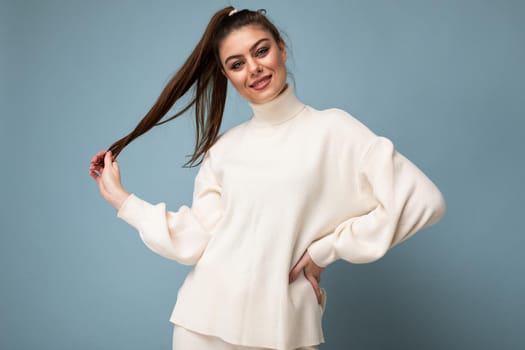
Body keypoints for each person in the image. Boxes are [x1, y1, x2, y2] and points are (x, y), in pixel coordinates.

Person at [89, 6, 446, 350]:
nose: (254, 68)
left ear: (282, 49)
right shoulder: (224, 150)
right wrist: (124, 200)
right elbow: (197, 240)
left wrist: (326, 250)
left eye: (261, 51)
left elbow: (423, 202)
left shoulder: (334, 130)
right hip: (202, 325)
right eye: (237, 64)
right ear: (227, 75)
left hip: (284, 327)